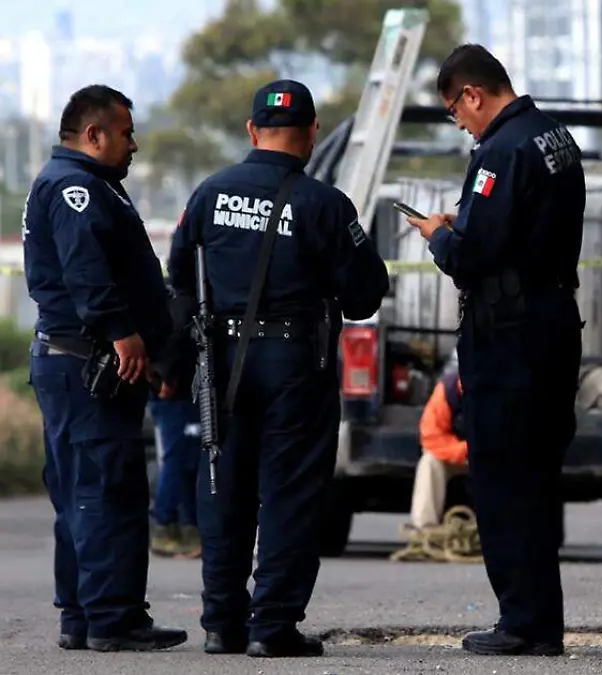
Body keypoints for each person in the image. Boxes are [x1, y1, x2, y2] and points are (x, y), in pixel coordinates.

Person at [166, 79, 390, 659]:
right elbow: (366, 295)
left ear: (251, 131)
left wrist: (175, 363)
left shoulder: (210, 194)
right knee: (290, 493)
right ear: (313, 134)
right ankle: (274, 626)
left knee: (222, 486)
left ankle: (221, 623)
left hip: (220, 363)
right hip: (296, 363)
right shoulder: (324, 205)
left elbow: (180, 285)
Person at [406, 44, 585, 657]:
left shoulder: (500, 152)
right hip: (553, 322)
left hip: (509, 336)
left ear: (473, 94)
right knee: (535, 477)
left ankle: (523, 624)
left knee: (504, 478)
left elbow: (472, 258)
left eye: (456, 109)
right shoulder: (553, 135)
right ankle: (540, 621)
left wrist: (438, 235)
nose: (458, 121)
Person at [22, 84, 188, 652]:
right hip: (87, 363)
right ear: (93, 134)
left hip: (74, 362)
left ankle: (82, 616)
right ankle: (112, 618)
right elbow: (86, 272)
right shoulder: (75, 188)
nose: (134, 144)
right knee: (103, 490)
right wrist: (123, 334)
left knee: (79, 491)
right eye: (125, 133)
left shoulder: (82, 185)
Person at [411, 370, 469, 532]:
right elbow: (432, 437)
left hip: (497, 459)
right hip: (462, 455)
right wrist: (466, 449)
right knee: (430, 463)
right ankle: (425, 530)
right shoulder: (448, 391)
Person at [148, 390, 202, 559]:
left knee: (187, 461)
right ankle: (164, 525)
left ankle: (189, 528)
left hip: (181, 391)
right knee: (178, 460)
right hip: (176, 391)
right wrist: (168, 378)